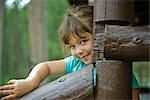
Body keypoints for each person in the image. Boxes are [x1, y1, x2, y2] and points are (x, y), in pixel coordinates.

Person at [0, 5, 139, 100]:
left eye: (83, 41)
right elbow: (46, 67)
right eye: (72, 46)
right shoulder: (75, 63)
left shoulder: (121, 70)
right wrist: (30, 82)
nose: (78, 51)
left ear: (98, 35)